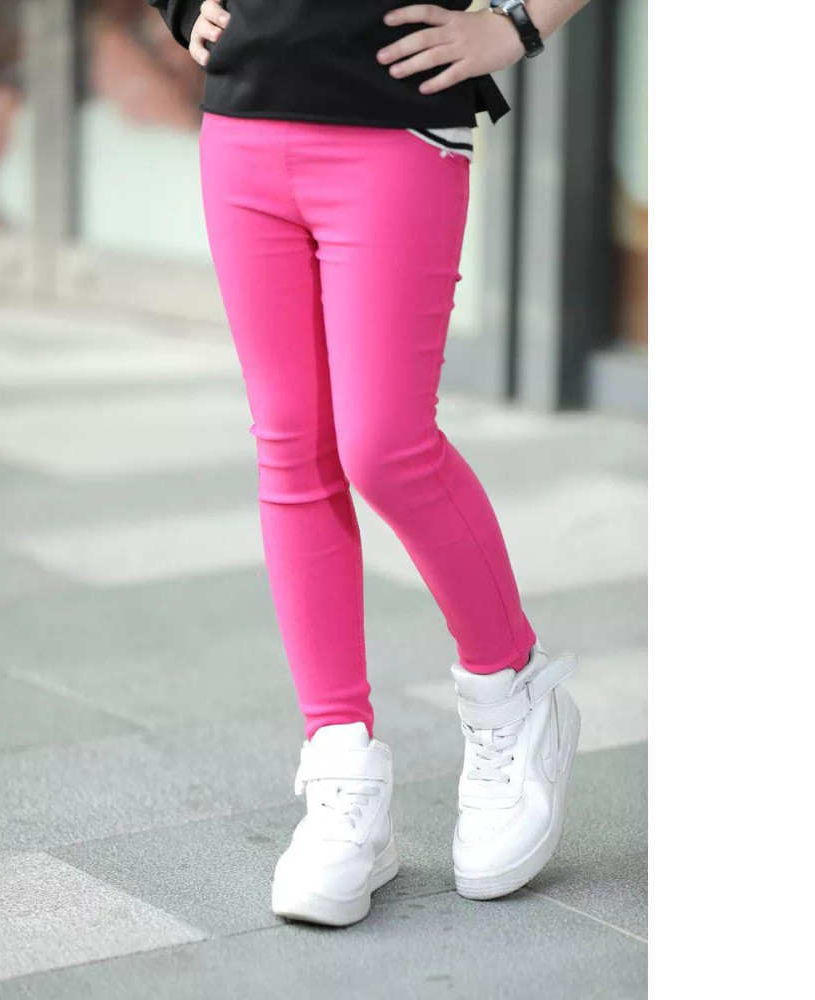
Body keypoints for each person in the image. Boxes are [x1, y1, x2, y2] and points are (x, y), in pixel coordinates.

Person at [147, 0, 591, 927]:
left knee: (386, 447)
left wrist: (518, 25)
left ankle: (512, 693)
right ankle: (342, 776)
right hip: (244, 122)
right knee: (293, 451)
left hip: (397, 119)